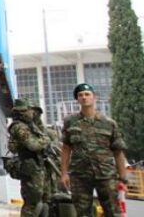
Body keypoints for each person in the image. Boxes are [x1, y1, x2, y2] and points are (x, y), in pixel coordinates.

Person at [60, 83, 129, 216]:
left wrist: (123, 179)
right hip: (80, 175)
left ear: (94, 97)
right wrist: (64, 173)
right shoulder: (70, 121)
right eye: (80, 95)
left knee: (113, 212)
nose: (84, 97)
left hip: (106, 175)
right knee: (83, 213)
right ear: (77, 99)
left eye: (87, 94)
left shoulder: (108, 123)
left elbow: (118, 152)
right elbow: (66, 148)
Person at [7, 99, 51, 217]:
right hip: (30, 169)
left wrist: (38, 120)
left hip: (39, 167)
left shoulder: (31, 125)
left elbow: (44, 133)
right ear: (23, 112)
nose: (33, 114)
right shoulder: (18, 127)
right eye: (32, 111)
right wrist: (46, 140)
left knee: (46, 200)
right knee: (32, 204)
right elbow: (33, 145)